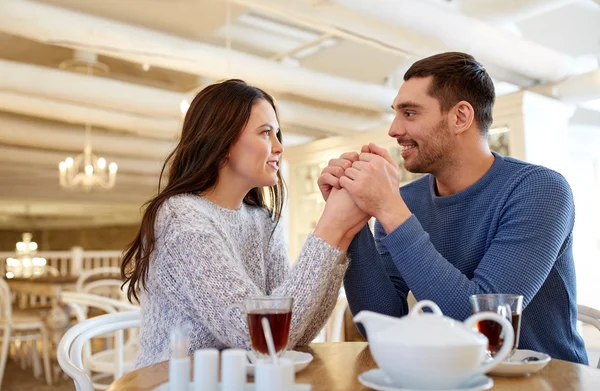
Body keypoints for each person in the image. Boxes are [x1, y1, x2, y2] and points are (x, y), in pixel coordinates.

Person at [318, 52, 588, 364]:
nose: (393, 130)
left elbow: (480, 326)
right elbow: (383, 323)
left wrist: (389, 209)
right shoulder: (406, 202)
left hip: (546, 382)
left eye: (409, 113)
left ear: (460, 117)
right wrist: (355, 219)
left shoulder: (540, 190)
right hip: (451, 379)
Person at [123, 79, 369, 368]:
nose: (279, 147)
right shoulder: (182, 218)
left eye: (278, 134)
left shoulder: (262, 221)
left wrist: (339, 239)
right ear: (223, 142)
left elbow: (293, 333)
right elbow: (257, 335)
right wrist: (329, 229)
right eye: (266, 133)